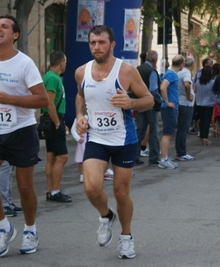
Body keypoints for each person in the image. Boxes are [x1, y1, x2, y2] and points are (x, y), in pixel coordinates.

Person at [74, 25, 153, 259]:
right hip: (96, 137)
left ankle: (126, 238)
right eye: (93, 43)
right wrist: (80, 116)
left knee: (120, 192)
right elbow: (80, 95)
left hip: (123, 139)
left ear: (112, 44)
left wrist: (131, 104)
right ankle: (106, 215)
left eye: (101, 42)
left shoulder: (126, 71)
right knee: (91, 186)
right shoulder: (81, 71)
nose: (96, 47)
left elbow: (149, 99)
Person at [0, 14, 48, 257]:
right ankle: (4, 226)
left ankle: (30, 230)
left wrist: (11, 99)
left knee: (25, 187)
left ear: (14, 35)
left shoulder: (25, 63)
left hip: (22, 131)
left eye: (4, 26)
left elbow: (42, 99)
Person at [42, 50, 71, 203]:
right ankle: (55, 190)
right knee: (62, 157)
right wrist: (58, 123)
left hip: (53, 120)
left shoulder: (50, 76)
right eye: (65, 62)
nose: (65, 65)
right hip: (54, 121)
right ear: (61, 63)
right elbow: (49, 102)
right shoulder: (53, 78)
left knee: (52, 157)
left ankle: (51, 190)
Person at [135, 50, 162, 165]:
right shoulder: (152, 72)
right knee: (154, 132)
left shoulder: (137, 70)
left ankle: (134, 157)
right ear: (155, 60)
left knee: (139, 131)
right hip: (151, 105)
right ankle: (154, 157)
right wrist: (159, 100)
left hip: (139, 104)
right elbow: (153, 89)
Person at [158, 55, 185, 169]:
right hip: (169, 107)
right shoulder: (171, 74)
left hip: (170, 107)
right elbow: (163, 87)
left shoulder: (171, 74)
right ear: (182, 64)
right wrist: (168, 102)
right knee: (167, 134)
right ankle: (163, 159)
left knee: (168, 134)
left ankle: (165, 158)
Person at [71, 116, 114, 182]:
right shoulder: (79, 118)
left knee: (97, 157)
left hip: (92, 139)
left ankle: (103, 171)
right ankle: (82, 176)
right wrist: (78, 138)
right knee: (81, 159)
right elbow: (73, 130)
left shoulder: (93, 116)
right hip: (82, 141)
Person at [175, 56, 195, 161]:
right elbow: (187, 84)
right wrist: (189, 95)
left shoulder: (179, 72)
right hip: (186, 104)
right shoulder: (187, 73)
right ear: (192, 64)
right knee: (183, 129)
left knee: (180, 129)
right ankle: (181, 153)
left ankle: (180, 151)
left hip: (179, 102)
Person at [194, 65, 215, 145]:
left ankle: (201, 136)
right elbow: (215, 91)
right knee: (207, 120)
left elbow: (195, 90)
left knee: (202, 120)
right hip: (209, 103)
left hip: (199, 102)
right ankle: (205, 137)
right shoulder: (212, 82)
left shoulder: (198, 82)